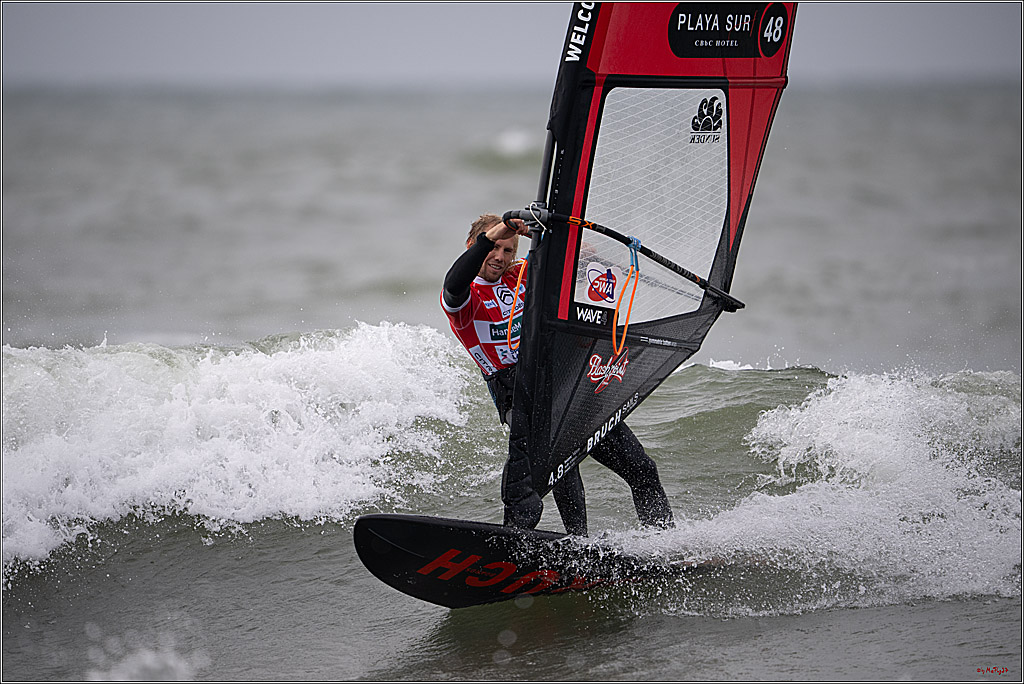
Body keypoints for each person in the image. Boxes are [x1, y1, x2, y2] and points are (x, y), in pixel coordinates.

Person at [440, 213, 674, 536]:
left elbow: (561, 265)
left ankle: (666, 544)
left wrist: (580, 255)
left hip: (566, 385)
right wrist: (500, 228)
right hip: (520, 396)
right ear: (475, 246)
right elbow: (453, 281)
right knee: (565, 469)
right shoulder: (464, 300)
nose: (499, 257)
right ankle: (577, 545)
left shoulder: (520, 275)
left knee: (642, 468)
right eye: (494, 247)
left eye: (508, 251)